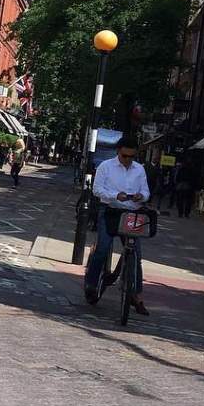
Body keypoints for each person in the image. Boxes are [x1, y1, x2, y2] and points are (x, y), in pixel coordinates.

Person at [84, 134, 150, 314]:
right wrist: (115, 195)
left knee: (136, 254)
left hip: (132, 214)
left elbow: (146, 191)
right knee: (103, 248)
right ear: (118, 152)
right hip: (111, 211)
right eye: (125, 156)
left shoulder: (139, 170)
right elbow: (97, 190)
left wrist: (141, 196)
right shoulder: (106, 167)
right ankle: (91, 283)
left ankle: (137, 296)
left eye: (132, 157)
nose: (128, 160)